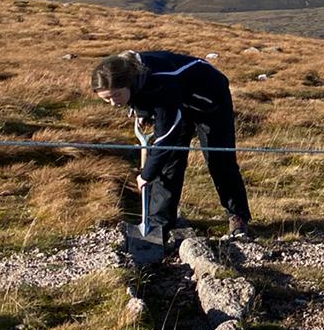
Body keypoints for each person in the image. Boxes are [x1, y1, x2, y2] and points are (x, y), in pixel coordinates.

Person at [91, 51, 253, 241]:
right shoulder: (132, 76)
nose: (112, 103)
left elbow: (166, 138)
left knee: (219, 160)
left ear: (128, 82)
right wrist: (142, 110)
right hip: (177, 100)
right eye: (106, 98)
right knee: (169, 164)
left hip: (210, 100)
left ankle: (238, 217)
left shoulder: (161, 82)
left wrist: (146, 175)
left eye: (116, 95)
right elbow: (143, 97)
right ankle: (160, 224)